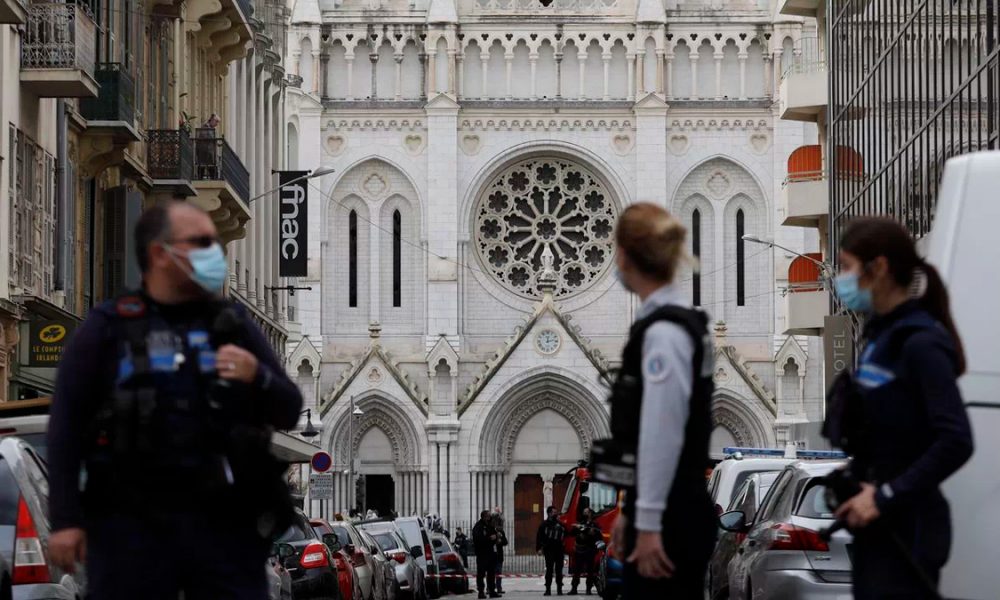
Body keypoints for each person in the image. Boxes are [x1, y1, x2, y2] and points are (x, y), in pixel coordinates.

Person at [46, 201, 303, 600]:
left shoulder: (232, 325)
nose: (213, 253)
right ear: (159, 254)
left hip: (222, 526)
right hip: (130, 528)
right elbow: (66, 426)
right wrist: (65, 520)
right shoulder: (108, 328)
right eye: (200, 242)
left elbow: (288, 408)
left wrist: (259, 375)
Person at [824, 217, 974, 599]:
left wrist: (886, 494)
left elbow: (956, 438)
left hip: (909, 531)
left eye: (845, 266)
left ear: (879, 268)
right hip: (879, 532)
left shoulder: (919, 342)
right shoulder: (880, 337)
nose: (839, 278)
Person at [606, 203, 717, 599]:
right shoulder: (678, 322)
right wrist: (630, 510)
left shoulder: (665, 334)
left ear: (624, 254)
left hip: (673, 517)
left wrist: (649, 523)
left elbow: (661, 433)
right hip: (672, 509)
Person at [568, 507, 601, 595]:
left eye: (586, 512)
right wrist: (576, 528)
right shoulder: (581, 523)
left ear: (590, 514)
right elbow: (572, 533)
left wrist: (590, 532)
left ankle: (588, 589)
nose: (584, 514)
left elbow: (598, 536)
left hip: (589, 550)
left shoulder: (594, 525)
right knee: (577, 570)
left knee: (590, 571)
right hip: (579, 550)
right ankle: (574, 588)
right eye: (584, 512)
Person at [536, 506, 567, 596]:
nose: (555, 514)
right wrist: (539, 549)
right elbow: (539, 537)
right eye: (554, 512)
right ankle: (548, 589)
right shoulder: (544, 524)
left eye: (556, 512)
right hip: (549, 549)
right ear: (549, 513)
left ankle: (559, 589)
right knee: (549, 570)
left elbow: (567, 532)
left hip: (559, 549)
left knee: (559, 570)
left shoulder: (560, 524)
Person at [472, 510, 501, 599]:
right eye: (488, 516)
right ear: (484, 517)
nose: (490, 518)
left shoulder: (490, 525)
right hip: (482, 554)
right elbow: (478, 540)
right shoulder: (478, 527)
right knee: (481, 573)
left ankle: (492, 591)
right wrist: (489, 538)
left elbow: (494, 534)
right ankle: (481, 592)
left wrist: (496, 536)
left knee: (491, 573)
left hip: (491, 554)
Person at [492, 512, 508, 594]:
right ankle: (490, 588)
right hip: (491, 555)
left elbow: (505, 542)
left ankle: (499, 588)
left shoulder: (501, 531)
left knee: (499, 572)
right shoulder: (489, 530)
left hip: (499, 555)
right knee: (491, 572)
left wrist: (500, 540)